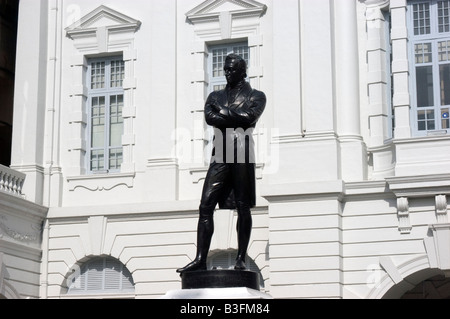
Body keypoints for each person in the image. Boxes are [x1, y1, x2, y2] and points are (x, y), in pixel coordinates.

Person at [177, 53, 266, 273]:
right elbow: (210, 118)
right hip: (220, 154)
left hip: (242, 152)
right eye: (225, 69)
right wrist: (235, 116)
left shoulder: (257, 95)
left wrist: (225, 112)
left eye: (231, 69)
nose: (226, 72)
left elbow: (250, 118)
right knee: (205, 205)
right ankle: (200, 259)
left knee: (243, 206)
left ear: (242, 71)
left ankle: (241, 257)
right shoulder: (215, 96)